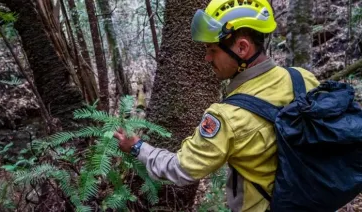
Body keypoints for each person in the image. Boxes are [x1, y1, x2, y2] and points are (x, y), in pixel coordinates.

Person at [113, 0, 320, 211]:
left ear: (242, 47)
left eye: (212, 50)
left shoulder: (226, 117)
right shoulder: (304, 79)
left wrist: (138, 148)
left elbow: (182, 169)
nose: (207, 58)